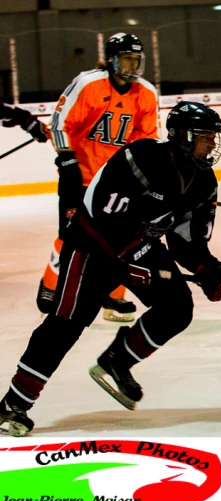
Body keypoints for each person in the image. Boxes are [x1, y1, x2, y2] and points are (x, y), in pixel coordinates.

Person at [0, 101, 221, 437]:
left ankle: (117, 360)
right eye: (205, 137)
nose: (212, 145)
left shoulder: (203, 182)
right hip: (91, 245)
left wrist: (210, 270)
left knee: (177, 308)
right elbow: (102, 216)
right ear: (182, 137)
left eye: (213, 137)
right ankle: (15, 403)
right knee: (66, 323)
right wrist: (135, 259)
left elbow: (187, 242)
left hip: (138, 246)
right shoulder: (141, 157)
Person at [39, 32, 159, 322]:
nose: (132, 66)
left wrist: (146, 174)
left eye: (136, 59)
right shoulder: (89, 84)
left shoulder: (146, 93)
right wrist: (66, 157)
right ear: (112, 60)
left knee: (120, 240)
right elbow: (58, 122)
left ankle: (113, 296)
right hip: (79, 175)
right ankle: (51, 286)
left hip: (117, 181)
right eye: (126, 59)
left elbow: (148, 138)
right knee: (70, 236)